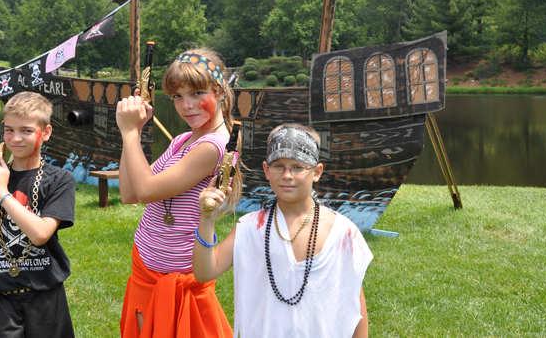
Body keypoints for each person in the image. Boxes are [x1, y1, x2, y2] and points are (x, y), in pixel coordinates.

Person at [193, 124, 373, 338]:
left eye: (298, 167)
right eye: (279, 166)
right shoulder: (249, 228)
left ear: (317, 172)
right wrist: (207, 218)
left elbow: (353, 304)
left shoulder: (344, 233)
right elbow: (205, 272)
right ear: (266, 170)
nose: (287, 175)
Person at [116, 49, 240, 338]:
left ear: (219, 91)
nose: (187, 105)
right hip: (147, 266)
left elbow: (145, 190)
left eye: (197, 93)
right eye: (177, 96)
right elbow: (130, 193)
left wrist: (129, 133)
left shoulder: (213, 147)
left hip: (177, 278)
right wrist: (134, 131)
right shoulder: (185, 139)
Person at [0, 91, 76, 338]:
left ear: (45, 133)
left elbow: (41, 234)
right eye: (9, 130)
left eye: (26, 130)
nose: (16, 138)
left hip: (46, 295)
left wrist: (2, 192)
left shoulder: (59, 180)